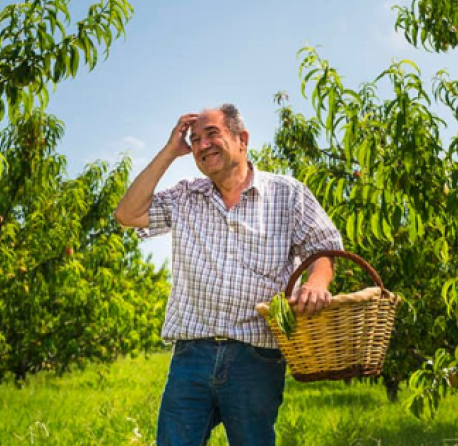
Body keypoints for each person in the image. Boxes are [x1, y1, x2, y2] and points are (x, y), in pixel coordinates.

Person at [114, 104, 343, 446]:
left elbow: (325, 247)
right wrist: (169, 152)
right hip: (192, 355)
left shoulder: (287, 193)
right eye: (194, 140)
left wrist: (316, 282)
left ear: (242, 139)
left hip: (256, 356)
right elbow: (128, 214)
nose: (202, 145)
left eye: (212, 134)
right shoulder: (186, 196)